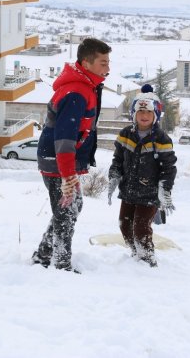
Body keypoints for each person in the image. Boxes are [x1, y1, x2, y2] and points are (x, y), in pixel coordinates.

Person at [31, 38, 112, 273]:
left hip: (63, 161)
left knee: (71, 206)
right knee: (66, 212)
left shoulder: (85, 86)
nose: (107, 68)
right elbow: (64, 137)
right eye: (103, 63)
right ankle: (60, 264)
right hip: (58, 161)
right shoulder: (76, 92)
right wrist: (67, 174)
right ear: (86, 63)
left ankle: (45, 254)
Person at [108, 85, 177, 267]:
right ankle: (135, 253)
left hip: (149, 194)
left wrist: (165, 189)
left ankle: (147, 259)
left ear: (155, 115)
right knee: (124, 224)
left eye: (148, 112)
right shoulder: (125, 135)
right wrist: (114, 176)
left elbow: (169, 168)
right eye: (140, 111)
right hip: (129, 191)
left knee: (140, 228)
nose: (144, 115)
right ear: (133, 114)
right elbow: (117, 159)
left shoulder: (161, 139)